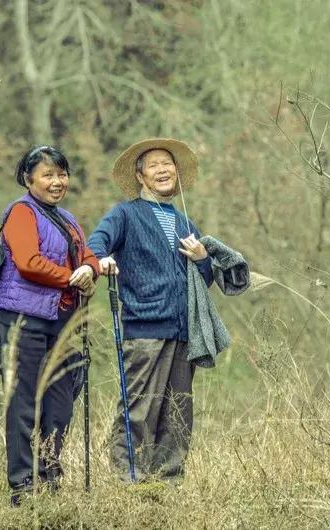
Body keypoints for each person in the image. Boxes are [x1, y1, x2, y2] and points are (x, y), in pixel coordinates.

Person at [88, 138, 213, 483]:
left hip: (184, 332)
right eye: (154, 165)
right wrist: (100, 261)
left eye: (167, 164)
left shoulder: (186, 224)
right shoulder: (125, 214)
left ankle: (168, 482)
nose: (163, 170)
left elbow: (204, 281)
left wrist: (203, 258)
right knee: (140, 409)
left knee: (178, 413)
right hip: (144, 328)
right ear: (140, 176)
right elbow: (96, 243)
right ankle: (129, 481)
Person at [0, 145, 100, 504]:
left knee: (60, 404)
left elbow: (87, 256)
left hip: (61, 322)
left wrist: (91, 269)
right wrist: (71, 277)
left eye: (62, 174)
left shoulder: (67, 219)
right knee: (23, 403)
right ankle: (23, 488)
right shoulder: (21, 213)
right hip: (22, 320)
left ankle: (50, 478)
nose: (57, 182)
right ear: (29, 179)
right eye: (48, 175)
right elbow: (28, 262)